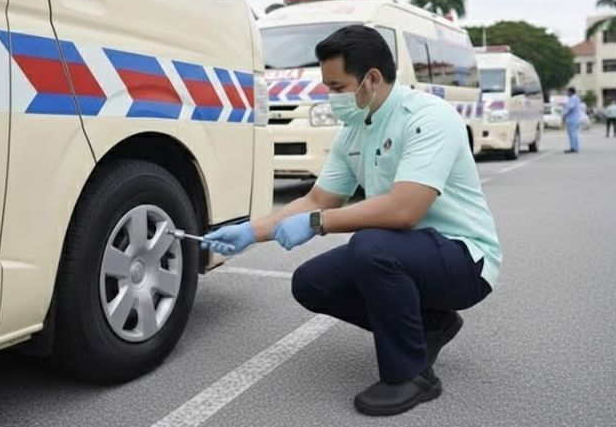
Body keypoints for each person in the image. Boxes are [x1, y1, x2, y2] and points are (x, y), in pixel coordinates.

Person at [203, 26, 500, 417]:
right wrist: (250, 231)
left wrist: (317, 222)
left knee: (370, 246)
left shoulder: (428, 118)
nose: (332, 96)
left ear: (371, 78)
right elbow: (317, 198)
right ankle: (429, 326)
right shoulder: (354, 131)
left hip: (463, 259)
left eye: (337, 86)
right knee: (311, 283)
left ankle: (411, 376)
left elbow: (403, 209)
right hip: (405, 250)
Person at [561, 87, 582, 153]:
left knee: (572, 133)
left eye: (567, 92)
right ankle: (575, 147)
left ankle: (573, 148)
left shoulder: (573, 98)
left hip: (572, 118)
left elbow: (570, 107)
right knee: (573, 133)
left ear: (570, 92)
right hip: (574, 118)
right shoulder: (576, 98)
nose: (567, 93)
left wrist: (564, 114)